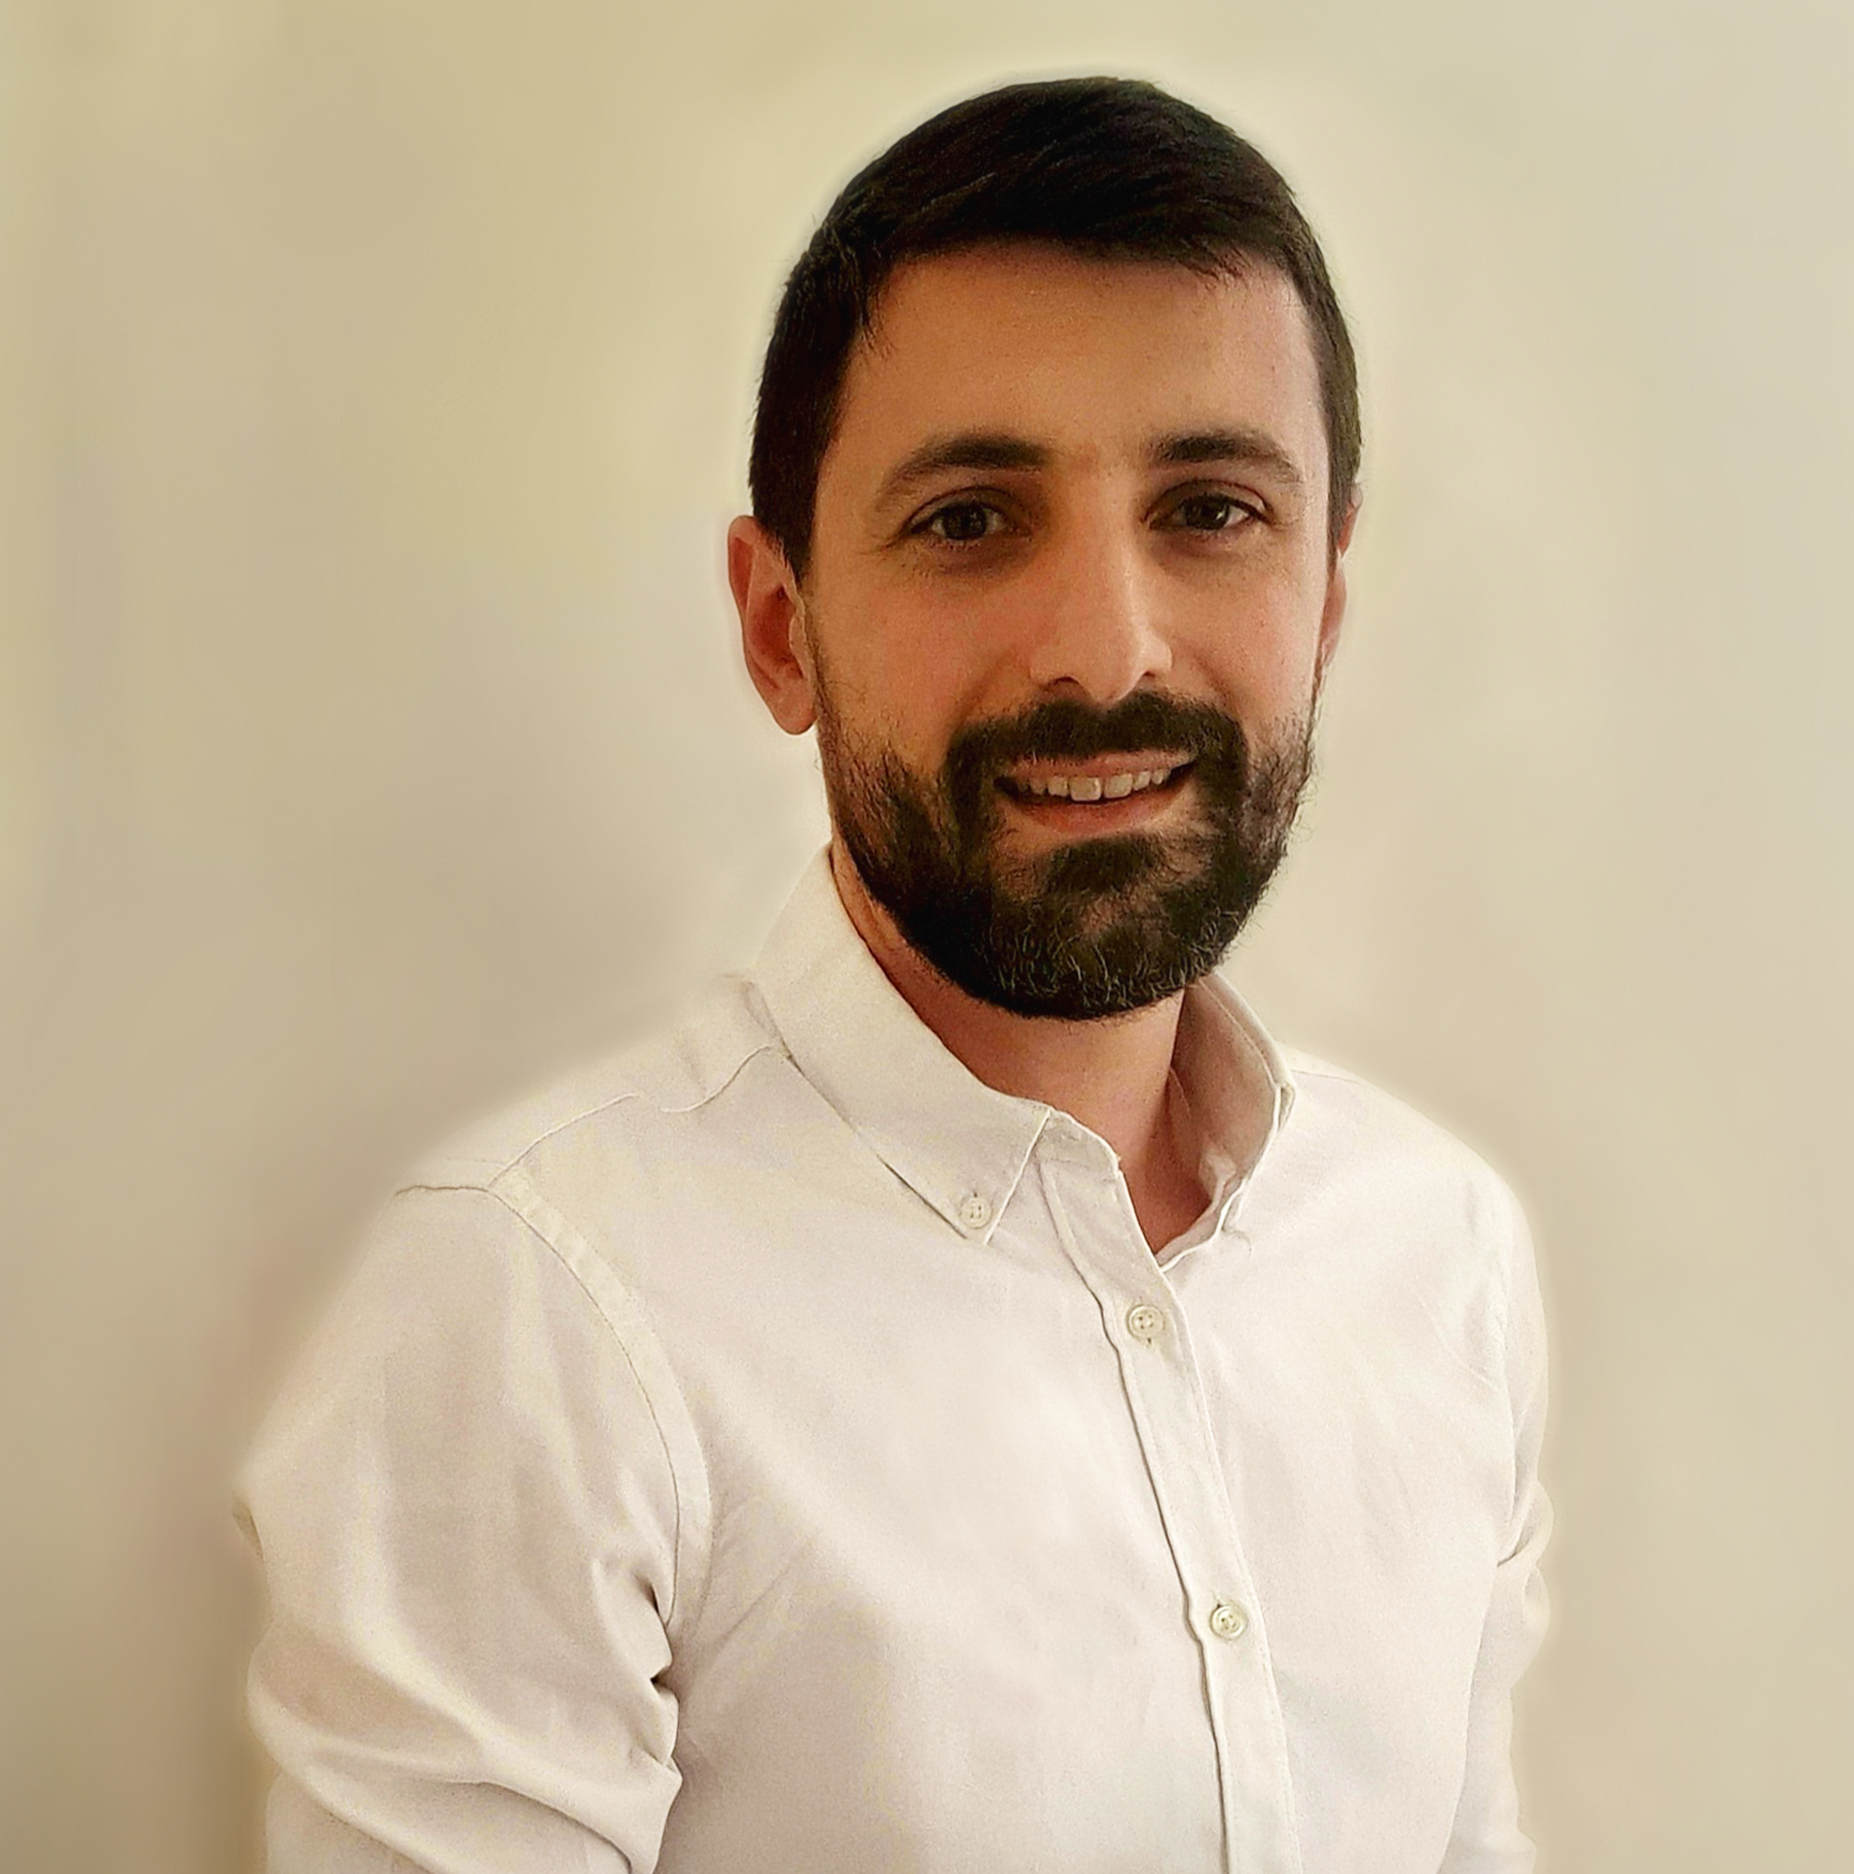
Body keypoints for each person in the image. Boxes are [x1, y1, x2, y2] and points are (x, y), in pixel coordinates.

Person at [239, 75, 1550, 1874]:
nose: (1106, 650)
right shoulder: (538, 1317)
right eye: (970, 520)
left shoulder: (1438, 1253)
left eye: (1211, 508)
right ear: (781, 626)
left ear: (1323, 600)